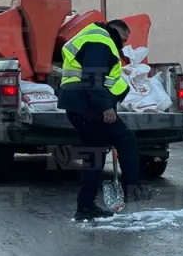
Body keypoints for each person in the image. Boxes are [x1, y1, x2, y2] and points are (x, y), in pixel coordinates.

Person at [57, 18, 153, 221]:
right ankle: (132, 188)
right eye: (124, 39)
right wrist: (105, 106)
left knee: (94, 155)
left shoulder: (93, 38)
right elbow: (93, 78)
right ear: (116, 32)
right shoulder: (99, 42)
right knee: (125, 139)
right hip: (89, 106)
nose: (124, 44)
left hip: (80, 106)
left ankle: (85, 207)